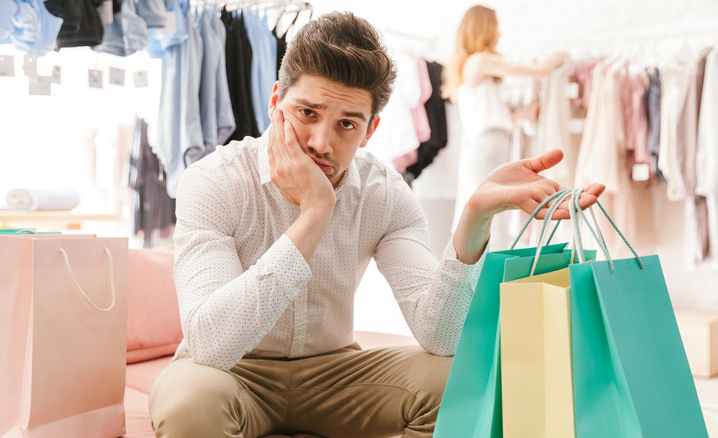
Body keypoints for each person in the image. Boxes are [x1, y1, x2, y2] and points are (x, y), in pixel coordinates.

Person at [149, 10, 603, 438]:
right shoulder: (213, 180)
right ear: (275, 102)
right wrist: (314, 213)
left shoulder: (383, 191)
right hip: (231, 375)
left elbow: (439, 337)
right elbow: (210, 346)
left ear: (370, 130)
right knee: (188, 399)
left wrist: (474, 217)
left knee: (464, 378)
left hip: (333, 377)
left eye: (346, 124)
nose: (320, 143)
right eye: (307, 113)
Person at [443, 4, 569, 250]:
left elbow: (489, 116)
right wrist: (557, 57)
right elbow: (539, 71)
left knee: (489, 215)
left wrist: (520, 115)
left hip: (484, 146)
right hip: (485, 147)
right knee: (492, 216)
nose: (499, 35)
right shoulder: (479, 61)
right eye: (496, 29)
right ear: (485, 30)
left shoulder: (475, 67)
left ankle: (489, 275)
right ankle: (493, 277)